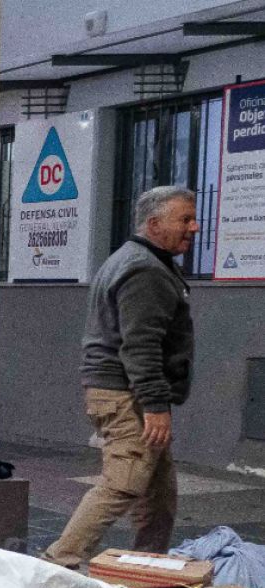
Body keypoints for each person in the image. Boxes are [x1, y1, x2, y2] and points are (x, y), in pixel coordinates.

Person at [45, 186, 197, 568]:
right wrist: (155, 406)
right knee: (123, 482)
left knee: (159, 496)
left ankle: (146, 573)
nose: (193, 227)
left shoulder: (140, 260)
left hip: (123, 391)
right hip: (126, 394)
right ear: (154, 223)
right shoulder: (145, 270)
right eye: (185, 219)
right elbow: (140, 346)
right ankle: (54, 565)